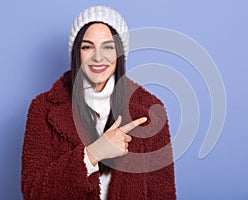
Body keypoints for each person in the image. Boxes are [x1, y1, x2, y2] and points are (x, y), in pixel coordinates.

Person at [21, 5, 176, 200]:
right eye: (87, 47)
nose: (98, 57)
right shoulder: (43, 108)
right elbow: (33, 193)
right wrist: (92, 154)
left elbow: (163, 194)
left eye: (108, 47)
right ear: (76, 52)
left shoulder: (150, 109)